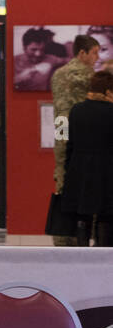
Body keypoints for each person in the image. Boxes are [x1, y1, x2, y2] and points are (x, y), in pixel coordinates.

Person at [52, 34, 103, 247]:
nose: (96, 58)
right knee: (88, 192)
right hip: (85, 141)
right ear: (82, 53)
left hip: (62, 132)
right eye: (94, 53)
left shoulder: (58, 74)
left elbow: (61, 116)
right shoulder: (90, 77)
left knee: (63, 187)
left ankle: (63, 237)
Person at [61, 70, 113, 246]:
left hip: (80, 168)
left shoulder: (76, 110)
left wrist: (67, 170)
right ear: (108, 92)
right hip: (107, 170)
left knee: (83, 214)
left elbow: (70, 143)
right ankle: (104, 252)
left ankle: (82, 250)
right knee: (106, 214)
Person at [14, 27, 68, 92]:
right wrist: (19, 78)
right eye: (33, 50)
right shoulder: (13, 61)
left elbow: (69, 60)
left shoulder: (50, 58)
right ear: (24, 48)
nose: (38, 54)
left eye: (42, 49)